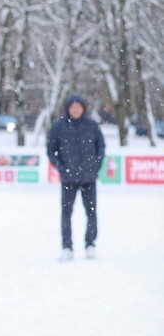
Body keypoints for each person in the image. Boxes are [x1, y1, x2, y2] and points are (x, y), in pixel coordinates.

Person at [47, 94, 105, 261]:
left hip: (89, 178)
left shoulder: (92, 126)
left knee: (91, 213)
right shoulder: (58, 127)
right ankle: (67, 247)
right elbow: (51, 150)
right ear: (67, 109)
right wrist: (61, 168)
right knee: (66, 214)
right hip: (68, 179)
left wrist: (95, 167)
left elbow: (101, 147)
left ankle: (90, 245)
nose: (75, 109)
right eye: (72, 107)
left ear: (83, 108)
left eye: (78, 106)